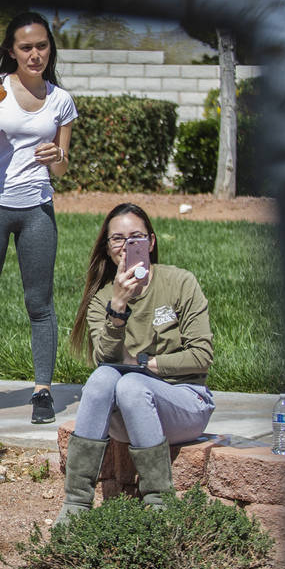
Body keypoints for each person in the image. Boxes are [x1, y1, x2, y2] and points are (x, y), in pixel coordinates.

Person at [0, 11, 77, 424]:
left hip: (37, 210)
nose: (35, 54)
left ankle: (43, 391)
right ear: (12, 50)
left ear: (49, 49)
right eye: (26, 47)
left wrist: (56, 156)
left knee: (39, 304)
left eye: (41, 45)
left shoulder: (61, 100)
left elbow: (61, 167)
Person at [57, 203, 215, 523]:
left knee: (130, 383)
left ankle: (159, 504)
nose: (126, 245)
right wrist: (118, 306)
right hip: (128, 413)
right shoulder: (102, 299)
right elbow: (105, 361)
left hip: (184, 402)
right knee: (103, 379)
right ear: (108, 247)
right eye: (118, 239)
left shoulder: (180, 282)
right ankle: (75, 504)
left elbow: (201, 355)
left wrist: (146, 364)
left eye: (135, 238)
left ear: (151, 243)